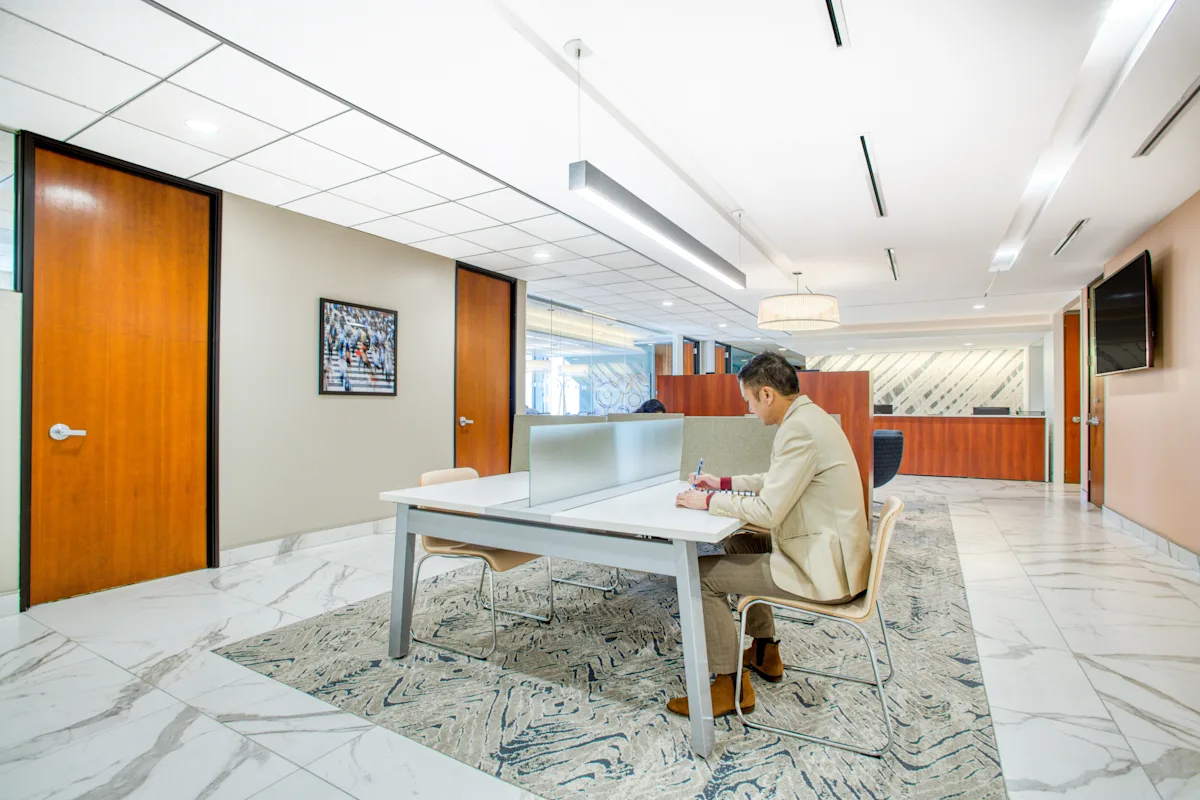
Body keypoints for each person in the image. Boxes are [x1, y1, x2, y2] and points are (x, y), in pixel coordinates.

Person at [669, 351, 870, 718]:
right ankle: (765, 650)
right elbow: (775, 480)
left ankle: (729, 686)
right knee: (740, 542)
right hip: (833, 551)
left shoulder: (799, 429)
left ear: (766, 394)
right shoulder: (811, 418)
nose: (749, 409)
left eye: (749, 400)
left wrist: (708, 501)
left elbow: (768, 511)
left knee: (700, 577)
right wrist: (723, 483)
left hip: (825, 571)